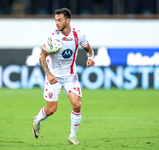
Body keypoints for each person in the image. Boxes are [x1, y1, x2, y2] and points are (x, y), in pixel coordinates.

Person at [32, 8, 95, 145]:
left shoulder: (79, 35)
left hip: (70, 76)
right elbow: (41, 57)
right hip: (54, 77)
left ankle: (72, 136)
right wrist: (48, 74)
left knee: (77, 105)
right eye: (55, 20)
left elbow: (89, 50)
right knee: (51, 110)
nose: (57, 23)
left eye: (59, 20)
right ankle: (37, 120)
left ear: (68, 20)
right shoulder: (53, 38)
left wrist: (91, 58)